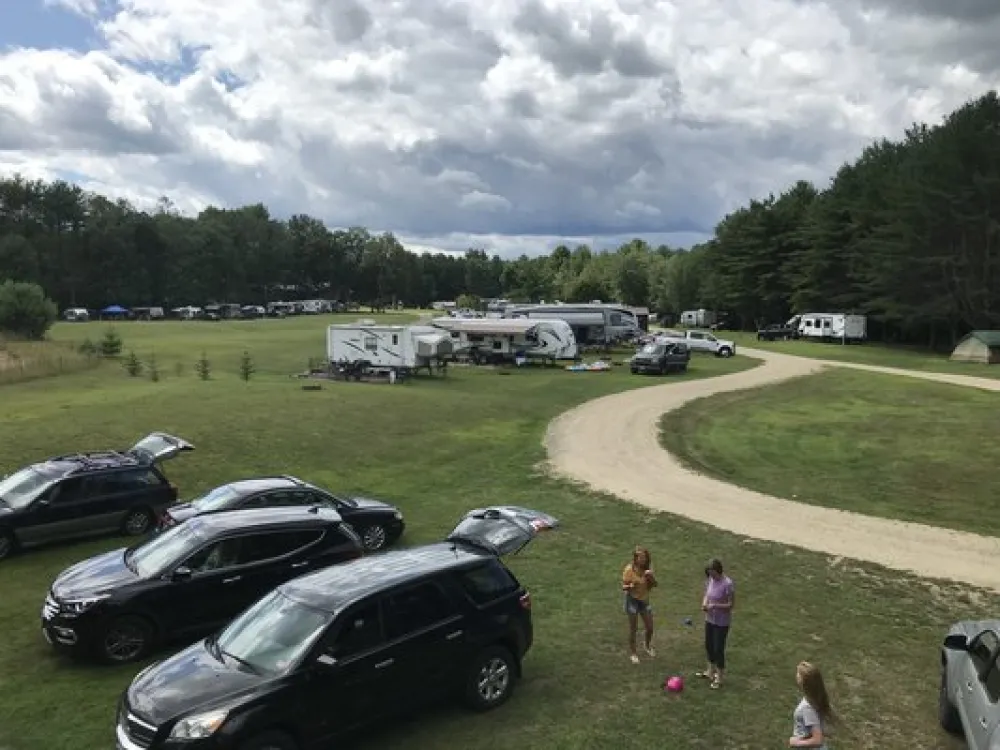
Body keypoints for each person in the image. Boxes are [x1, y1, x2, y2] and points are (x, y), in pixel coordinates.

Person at [696, 558, 734, 689]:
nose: (711, 576)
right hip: (710, 619)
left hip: (722, 622)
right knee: (709, 645)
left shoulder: (727, 584)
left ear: (718, 571)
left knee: (718, 649)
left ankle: (720, 677)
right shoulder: (711, 580)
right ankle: (710, 672)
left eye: (712, 573)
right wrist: (704, 603)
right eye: (709, 573)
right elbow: (707, 594)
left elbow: (730, 605)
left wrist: (715, 606)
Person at [621, 546, 657, 664]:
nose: (643, 560)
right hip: (632, 600)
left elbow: (654, 585)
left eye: (644, 557)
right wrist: (631, 586)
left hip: (644, 601)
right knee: (633, 628)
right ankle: (633, 653)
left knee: (650, 627)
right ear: (635, 559)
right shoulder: (629, 569)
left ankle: (646, 645)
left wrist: (650, 577)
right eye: (640, 557)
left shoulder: (648, 570)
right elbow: (624, 587)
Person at [789, 661, 834, 748]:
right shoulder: (815, 698)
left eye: (798, 673)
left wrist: (795, 742)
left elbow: (817, 740)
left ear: (803, 682)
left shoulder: (807, 708)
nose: (796, 675)